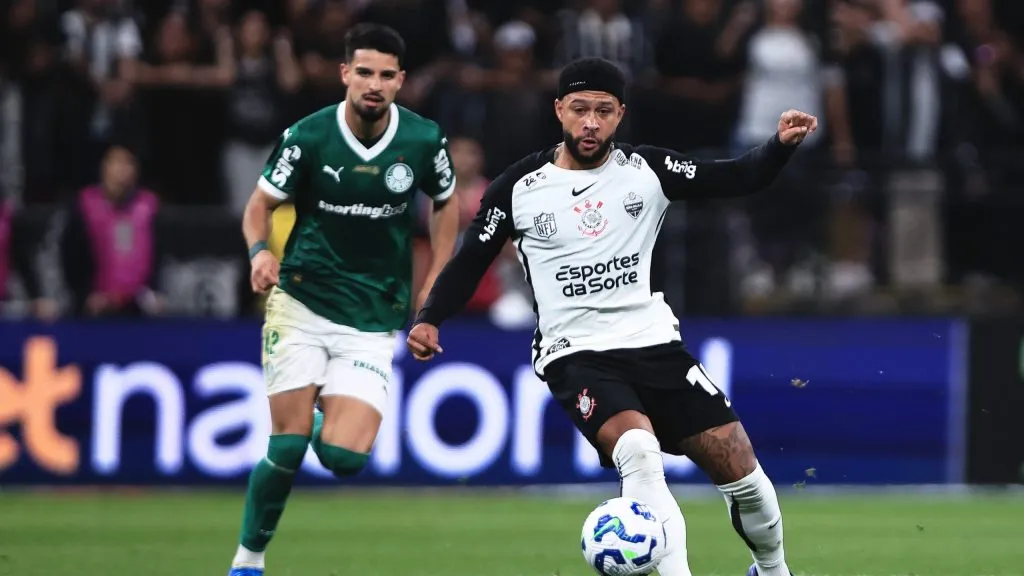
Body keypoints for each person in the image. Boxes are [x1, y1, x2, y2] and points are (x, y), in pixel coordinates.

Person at [407, 57, 816, 576]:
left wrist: (779, 145)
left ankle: (773, 570)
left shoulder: (647, 171)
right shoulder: (519, 187)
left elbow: (735, 176)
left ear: (620, 114)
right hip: (576, 354)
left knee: (741, 468)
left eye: (603, 111)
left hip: (654, 344)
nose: (590, 122)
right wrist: (430, 317)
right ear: (559, 110)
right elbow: (471, 259)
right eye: (580, 109)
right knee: (640, 451)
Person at [231, 23, 460, 576]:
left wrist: (435, 280)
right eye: (364, 72)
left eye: (385, 75)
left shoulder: (423, 140)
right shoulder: (308, 136)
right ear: (344, 74)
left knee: (343, 458)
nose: (373, 84)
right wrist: (259, 253)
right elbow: (258, 206)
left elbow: (446, 203)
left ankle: (312, 417)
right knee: (287, 449)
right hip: (302, 301)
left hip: (374, 315)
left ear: (401, 81)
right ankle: (247, 561)